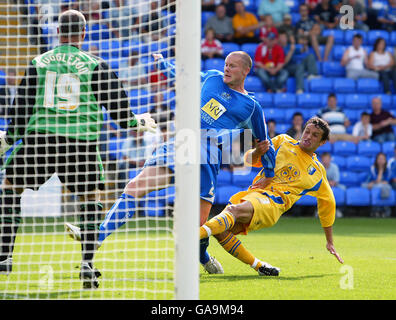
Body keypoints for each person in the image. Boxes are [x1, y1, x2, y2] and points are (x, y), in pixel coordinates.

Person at [65, 50, 276, 280]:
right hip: (183, 143)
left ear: (246, 71)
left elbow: (264, 142)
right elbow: (185, 76)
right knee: (135, 187)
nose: (227, 68)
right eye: (226, 64)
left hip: (208, 159)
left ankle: (203, 257)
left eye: (233, 66)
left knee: (198, 226)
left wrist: (269, 171)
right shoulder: (213, 77)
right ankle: (97, 237)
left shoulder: (251, 106)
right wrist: (164, 64)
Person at [0, 10, 157, 288]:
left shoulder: (39, 61)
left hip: (42, 140)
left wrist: (10, 139)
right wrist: (140, 121)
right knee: (89, 198)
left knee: (10, 188)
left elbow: (21, 108)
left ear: (58, 32)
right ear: (84, 34)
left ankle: (4, 256)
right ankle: (87, 263)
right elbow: (120, 114)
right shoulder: (96, 64)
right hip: (81, 143)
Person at [199, 117, 344, 275]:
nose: (308, 136)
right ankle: (259, 266)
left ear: (322, 142)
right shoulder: (283, 141)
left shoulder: (317, 172)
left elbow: (328, 203)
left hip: (272, 204)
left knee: (232, 212)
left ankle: (189, 240)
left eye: (315, 135)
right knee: (220, 230)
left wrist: (329, 241)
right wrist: (257, 151)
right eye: (307, 131)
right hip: (253, 194)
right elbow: (248, 160)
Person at [362, 152, 392, 217]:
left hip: (380, 186)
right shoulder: (372, 168)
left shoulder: (388, 169)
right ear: (376, 160)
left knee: (385, 187)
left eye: (382, 159)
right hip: (371, 185)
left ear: (385, 160)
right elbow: (370, 181)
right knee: (367, 186)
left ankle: (384, 208)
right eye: (379, 159)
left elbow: (386, 182)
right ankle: (376, 209)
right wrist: (375, 182)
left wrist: (381, 171)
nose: (381, 161)